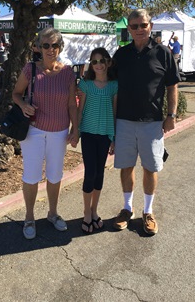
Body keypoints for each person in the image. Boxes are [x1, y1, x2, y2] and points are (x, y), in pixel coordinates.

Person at [112, 9, 180, 235]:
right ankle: (127, 209)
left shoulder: (163, 53)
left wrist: (171, 115)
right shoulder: (121, 55)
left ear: (150, 26)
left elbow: (172, 86)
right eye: (134, 26)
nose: (139, 30)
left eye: (143, 25)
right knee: (126, 166)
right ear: (129, 29)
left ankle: (148, 212)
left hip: (152, 122)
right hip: (124, 121)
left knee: (151, 167)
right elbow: (110, 87)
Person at [12, 27, 79, 240]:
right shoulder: (30, 69)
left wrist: (75, 129)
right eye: (46, 45)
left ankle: (52, 213)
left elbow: (71, 104)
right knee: (31, 176)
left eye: (55, 45)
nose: (51, 49)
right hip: (34, 131)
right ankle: (29, 217)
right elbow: (16, 93)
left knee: (55, 176)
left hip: (59, 133)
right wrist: (23, 105)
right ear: (39, 47)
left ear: (60, 47)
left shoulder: (68, 72)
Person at [77, 47, 118, 234]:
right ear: (91, 65)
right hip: (88, 133)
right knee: (90, 172)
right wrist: (75, 130)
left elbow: (115, 112)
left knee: (99, 174)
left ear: (108, 62)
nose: (99, 65)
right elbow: (80, 109)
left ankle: (94, 210)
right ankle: (86, 211)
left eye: (102, 61)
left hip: (105, 134)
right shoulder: (86, 85)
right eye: (94, 62)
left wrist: (114, 137)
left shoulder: (114, 85)